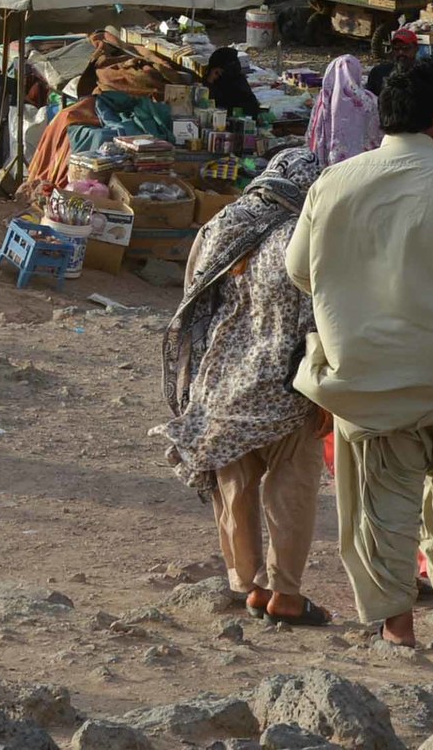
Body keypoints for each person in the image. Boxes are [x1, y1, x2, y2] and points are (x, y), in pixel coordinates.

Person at [285, 65, 433, 648]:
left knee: (381, 504)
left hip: (369, 382)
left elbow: (297, 271)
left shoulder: (333, 182)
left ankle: (398, 626)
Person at [162, 147, 329, 626]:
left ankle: (247, 584)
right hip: (287, 386)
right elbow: (322, 313)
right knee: (291, 489)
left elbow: (194, 298)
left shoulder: (223, 225)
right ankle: (286, 595)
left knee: (233, 486)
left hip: (222, 385)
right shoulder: (306, 235)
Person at [307, 51, 378, 166]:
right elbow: (377, 132)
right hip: (363, 164)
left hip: (329, 162)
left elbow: (313, 131)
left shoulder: (324, 99)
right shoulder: (368, 100)